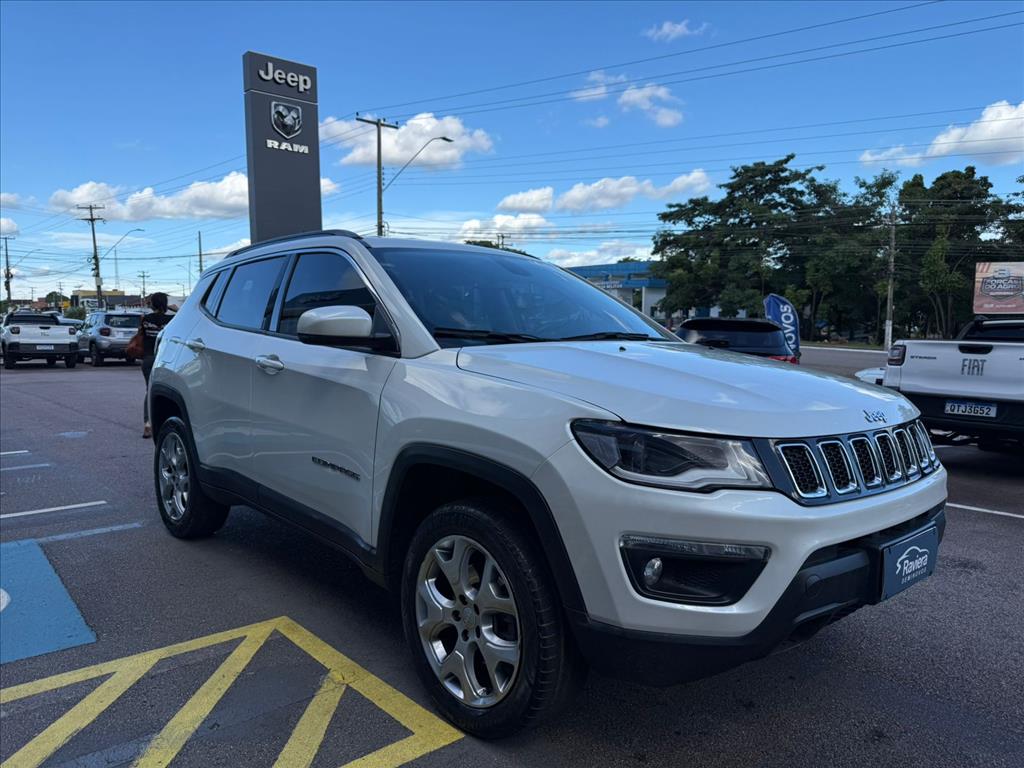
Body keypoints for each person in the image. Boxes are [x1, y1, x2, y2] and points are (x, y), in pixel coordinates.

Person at [140, 293, 173, 438]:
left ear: (152, 304)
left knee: (150, 390)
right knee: (168, 393)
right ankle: (167, 423)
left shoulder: (146, 320)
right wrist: (174, 309)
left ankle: (148, 423)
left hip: (149, 358)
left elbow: (141, 335)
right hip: (166, 359)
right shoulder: (172, 320)